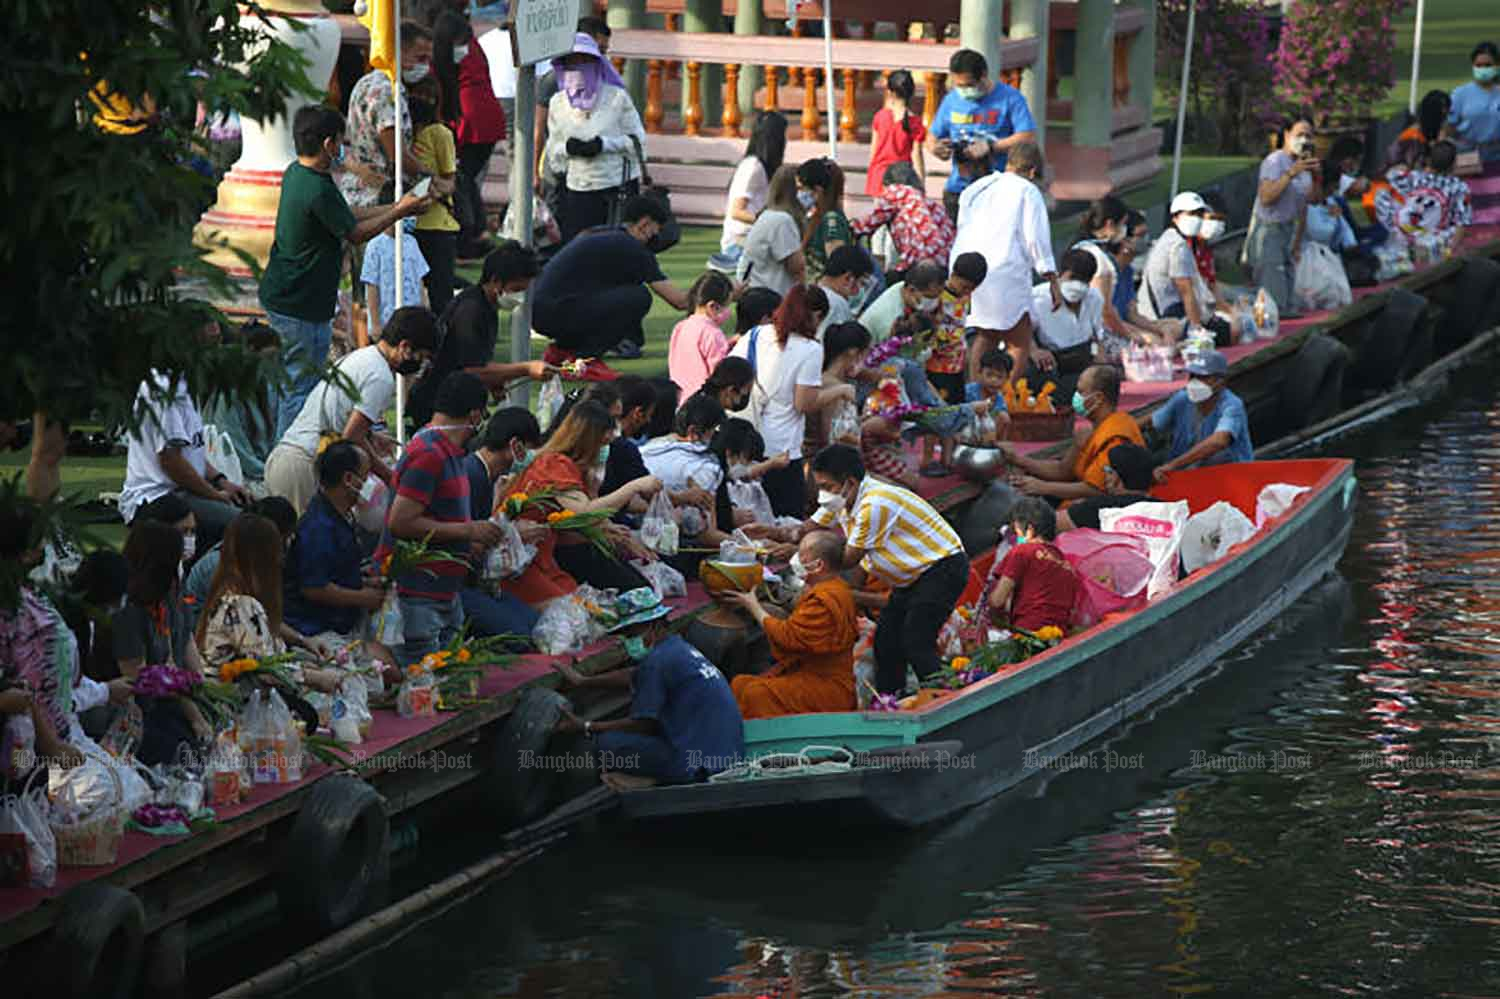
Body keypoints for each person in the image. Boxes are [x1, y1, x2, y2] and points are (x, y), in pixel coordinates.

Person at [260, 105, 428, 437]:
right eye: (340, 142)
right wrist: (398, 214)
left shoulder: (299, 173)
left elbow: (344, 215)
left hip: (285, 297)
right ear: (328, 145)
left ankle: (277, 454)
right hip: (302, 305)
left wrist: (396, 206)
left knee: (286, 385)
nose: (343, 150)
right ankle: (288, 456)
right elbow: (354, 233)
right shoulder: (317, 187)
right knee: (300, 388)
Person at [810, 444, 968, 695]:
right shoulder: (841, 499)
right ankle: (890, 702)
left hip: (942, 567)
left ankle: (944, 699)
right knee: (886, 642)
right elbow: (809, 527)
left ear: (849, 482)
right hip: (910, 578)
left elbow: (849, 559)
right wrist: (781, 538)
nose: (823, 494)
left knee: (917, 640)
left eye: (826, 487)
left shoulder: (875, 503)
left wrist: (812, 563)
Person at [375, 373, 504, 665]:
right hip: (419, 596)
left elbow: (440, 514)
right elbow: (401, 522)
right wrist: (468, 531)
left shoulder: (451, 451)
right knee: (425, 683)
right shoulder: (429, 454)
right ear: (474, 415)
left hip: (445, 592)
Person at [552, 591, 744, 788]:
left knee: (606, 745)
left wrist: (587, 726)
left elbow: (643, 724)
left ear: (653, 626)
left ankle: (659, 779)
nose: (628, 641)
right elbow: (635, 674)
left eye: (632, 634)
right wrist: (583, 681)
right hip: (730, 750)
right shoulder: (678, 648)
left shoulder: (657, 662)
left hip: (697, 762)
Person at [267, 306, 439, 513]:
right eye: (421, 356)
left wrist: (371, 436)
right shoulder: (381, 377)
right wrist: (389, 476)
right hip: (303, 467)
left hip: (286, 460)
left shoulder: (363, 357)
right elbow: (351, 436)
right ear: (405, 346)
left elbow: (342, 418)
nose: (420, 365)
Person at [502, 400, 661, 602]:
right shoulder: (554, 464)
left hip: (545, 557)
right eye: (602, 444)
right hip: (525, 562)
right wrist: (634, 487)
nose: (604, 452)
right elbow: (584, 513)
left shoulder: (571, 468)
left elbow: (576, 519)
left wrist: (608, 530)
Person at [533, 196, 690, 367]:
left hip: (539, 312)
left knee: (625, 292)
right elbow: (679, 301)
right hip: (556, 312)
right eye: (655, 230)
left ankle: (562, 350)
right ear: (644, 224)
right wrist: (710, 291)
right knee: (639, 297)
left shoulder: (598, 232)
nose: (655, 237)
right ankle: (585, 360)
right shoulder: (633, 248)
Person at [730, 286, 846, 518]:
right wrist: (840, 390)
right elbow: (804, 403)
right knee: (785, 521)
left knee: (748, 520)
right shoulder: (810, 349)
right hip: (781, 450)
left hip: (742, 442)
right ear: (815, 315)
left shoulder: (754, 335)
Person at [951, 141, 1060, 384]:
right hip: (1006, 271)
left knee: (986, 334)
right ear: (1032, 172)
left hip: (972, 270)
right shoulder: (1027, 190)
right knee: (1019, 338)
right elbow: (1037, 239)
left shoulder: (976, 188)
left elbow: (962, 229)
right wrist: (1052, 279)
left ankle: (975, 390)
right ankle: (1003, 396)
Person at [409, 241, 548, 426]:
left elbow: (476, 360)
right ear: (496, 281)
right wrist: (526, 369)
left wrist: (495, 382)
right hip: (437, 406)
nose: (519, 297)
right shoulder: (472, 310)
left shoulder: (487, 304)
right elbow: (473, 370)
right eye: (516, 290)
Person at [721, 530, 858, 718]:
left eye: (802, 557)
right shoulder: (834, 588)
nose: (797, 561)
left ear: (818, 565)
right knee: (740, 684)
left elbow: (788, 638)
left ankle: (767, 743)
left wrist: (753, 606)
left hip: (827, 687)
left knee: (755, 694)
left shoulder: (825, 599)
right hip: (811, 672)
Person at [119, 362, 251, 555]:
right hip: (157, 498)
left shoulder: (188, 382)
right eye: (206, 328)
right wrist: (216, 496)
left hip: (185, 492)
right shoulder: (165, 387)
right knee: (246, 530)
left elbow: (191, 452)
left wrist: (221, 481)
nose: (216, 331)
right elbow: (171, 462)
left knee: (256, 516)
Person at [196, 513, 338, 681]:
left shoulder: (233, 591)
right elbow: (266, 671)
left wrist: (303, 646)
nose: (281, 559)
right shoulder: (241, 604)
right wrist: (315, 678)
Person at [284, 442, 390, 646]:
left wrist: (364, 581)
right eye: (366, 476)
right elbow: (314, 588)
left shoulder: (340, 516)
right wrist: (363, 598)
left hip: (340, 622)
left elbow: (336, 571)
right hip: (316, 629)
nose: (370, 483)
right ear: (349, 479)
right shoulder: (319, 527)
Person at [546, 32, 644, 244]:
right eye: (571, 63)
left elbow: (638, 141)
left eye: (584, 62)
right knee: (579, 250)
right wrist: (569, 148)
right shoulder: (557, 103)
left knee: (617, 251)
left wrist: (603, 145)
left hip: (616, 189)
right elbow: (553, 151)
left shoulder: (617, 97)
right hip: (578, 189)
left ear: (596, 63)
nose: (578, 69)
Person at [459, 409, 545, 639]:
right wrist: (513, 535)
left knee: (536, 624)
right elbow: (473, 542)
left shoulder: (489, 477)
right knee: (520, 636)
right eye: (528, 450)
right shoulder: (472, 475)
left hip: (476, 581)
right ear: (515, 445)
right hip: (456, 585)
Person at [1002, 364, 1144, 502]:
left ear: (1099, 398)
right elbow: (1062, 470)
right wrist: (1018, 460)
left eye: (1081, 392)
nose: (1076, 397)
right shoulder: (1092, 430)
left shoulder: (1115, 435)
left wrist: (1042, 487)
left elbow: (1095, 489)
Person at [928, 48, 1038, 220]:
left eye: (969, 85)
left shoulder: (1010, 98)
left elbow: (1027, 136)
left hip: (998, 189)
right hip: (959, 189)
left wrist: (991, 146)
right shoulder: (951, 100)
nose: (964, 90)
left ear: (984, 75)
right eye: (959, 86)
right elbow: (932, 137)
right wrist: (936, 148)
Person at [337, 21, 434, 211]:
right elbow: (396, 154)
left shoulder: (366, 82)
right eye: (420, 58)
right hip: (377, 198)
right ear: (398, 52)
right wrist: (431, 178)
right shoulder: (387, 92)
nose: (425, 66)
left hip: (361, 191)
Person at [432, 9, 506, 258]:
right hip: (483, 120)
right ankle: (477, 232)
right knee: (466, 178)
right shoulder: (469, 47)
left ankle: (470, 234)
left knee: (461, 178)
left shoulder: (450, 53)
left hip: (471, 121)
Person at [534, 17, 615, 207]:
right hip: (559, 163)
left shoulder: (608, 81)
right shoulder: (554, 80)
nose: (602, 57)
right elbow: (539, 129)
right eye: (599, 50)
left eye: (604, 52)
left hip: (594, 166)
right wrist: (533, 172)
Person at [184, 496, 297, 627]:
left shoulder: (253, 555)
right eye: (287, 536)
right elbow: (241, 623)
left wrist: (302, 640)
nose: (290, 541)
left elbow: (262, 617)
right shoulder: (220, 566)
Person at [1249, 117, 1318, 315]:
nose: (1304, 140)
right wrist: (1290, 174)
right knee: (1274, 298)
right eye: (1299, 135)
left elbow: (1311, 201)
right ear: (1287, 135)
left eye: (1308, 136)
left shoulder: (1303, 164)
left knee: (1290, 301)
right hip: (1270, 230)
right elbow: (1266, 197)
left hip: (1290, 230)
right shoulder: (1275, 161)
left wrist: (1316, 175)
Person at [640, 394, 730, 545]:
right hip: (668, 544)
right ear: (693, 431)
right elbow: (706, 534)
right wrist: (752, 546)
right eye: (714, 432)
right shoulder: (704, 467)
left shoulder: (650, 447)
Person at [1075, 196, 1162, 351]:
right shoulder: (1098, 260)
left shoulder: (1081, 249)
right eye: (1122, 225)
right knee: (1154, 347)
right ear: (1109, 225)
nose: (1124, 231)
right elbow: (1105, 312)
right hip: (1095, 336)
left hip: (1086, 331)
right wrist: (1133, 336)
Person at [1151, 350, 1253, 476]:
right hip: (1185, 475)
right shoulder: (1182, 398)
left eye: (1202, 378)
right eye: (1192, 377)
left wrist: (1173, 465)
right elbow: (1154, 423)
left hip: (1228, 475)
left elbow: (1219, 441)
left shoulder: (1231, 405)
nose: (1195, 382)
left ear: (1220, 381)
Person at [987, 497, 1079, 634]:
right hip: (1057, 637)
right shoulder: (1067, 566)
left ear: (1029, 530)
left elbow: (997, 601)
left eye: (1016, 531)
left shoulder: (1022, 552)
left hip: (1027, 636)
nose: (1016, 537)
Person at [203, 320, 279, 483]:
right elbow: (236, 450)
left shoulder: (260, 389)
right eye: (270, 358)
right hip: (239, 476)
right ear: (251, 353)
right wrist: (270, 473)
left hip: (263, 469)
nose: (274, 365)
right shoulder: (228, 396)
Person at [407, 79, 459, 316]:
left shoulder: (440, 133)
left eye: (428, 97)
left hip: (437, 227)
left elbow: (450, 182)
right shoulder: (401, 133)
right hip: (407, 225)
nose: (422, 101)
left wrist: (432, 188)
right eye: (417, 94)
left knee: (440, 298)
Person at [851, 161, 956, 278]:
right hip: (947, 266)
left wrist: (849, 227)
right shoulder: (933, 204)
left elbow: (866, 223)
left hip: (919, 266)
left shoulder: (897, 192)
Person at [714, 111, 788, 271]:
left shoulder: (762, 167)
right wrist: (769, 222)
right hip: (740, 243)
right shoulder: (753, 167)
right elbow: (737, 212)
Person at [1136, 191, 1215, 336]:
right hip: (1164, 316)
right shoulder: (1178, 246)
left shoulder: (1170, 238)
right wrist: (1197, 331)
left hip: (1162, 312)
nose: (1196, 219)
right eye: (1191, 214)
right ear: (1175, 217)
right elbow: (1186, 291)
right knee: (1232, 329)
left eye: (1199, 214)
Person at [360, 182, 431, 341]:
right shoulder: (375, 245)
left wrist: (425, 310)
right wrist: (376, 324)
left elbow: (419, 281)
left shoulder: (411, 243)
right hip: (387, 322)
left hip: (412, 320)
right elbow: (372, 287)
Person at [1382, 140, 1473, 259]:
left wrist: (1410, 167)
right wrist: (1449, 250)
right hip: (1435, 243)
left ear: (1429, 161)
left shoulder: (1414, 177)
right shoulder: (1459, 187)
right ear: (1454, 164)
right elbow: (1462, 223)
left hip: (1406, 238)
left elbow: (1391, 173)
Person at [1031, 248, 1105, 391]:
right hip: (1051, 360)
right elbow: (1022, 332)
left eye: (1084, 280)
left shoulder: (1094, 298)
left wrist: (1099, 356)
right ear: (1060, 275)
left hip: (1082, 356)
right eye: (1072, 278)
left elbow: (1097, 336)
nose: (1077, 285)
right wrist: (1034, 350)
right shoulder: (1037, 298)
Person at [737, 164, 806, 297]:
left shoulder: (769, 215)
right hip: (768, 298)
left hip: (758, 292)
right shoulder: (782, 220)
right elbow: (797, 267)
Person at [1057, 443, 1158, 533]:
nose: (1104, 474)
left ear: (1115, 477)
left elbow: (1050, 523)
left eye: (1107, 469)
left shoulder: (1098, 509)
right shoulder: (1165, 509)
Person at [807, 321, 871, 457]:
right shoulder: (836, 388)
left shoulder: (826, 379)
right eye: (865, 354)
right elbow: (831, 439)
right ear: (853, 352)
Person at [668, 272, 735, 399]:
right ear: (713, 306)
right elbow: (719, 372)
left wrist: (728, 343)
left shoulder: (681, 326)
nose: (728, 311)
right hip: (704, 403)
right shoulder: (713, 334)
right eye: (726, 305)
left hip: (680, 398)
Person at [865, 70, 926, 198]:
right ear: (912, 92)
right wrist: (921, 185)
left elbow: (873, 151)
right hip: (901, 179)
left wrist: (871, 176)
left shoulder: (880, 117)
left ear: (889, 92)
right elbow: (917, 156)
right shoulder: (915, 122)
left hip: (879, 177)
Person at [858, 258, 947, 344]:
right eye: (928, 297)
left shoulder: (904, 287)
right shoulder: (891, 320)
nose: (933, 301)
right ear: (911, 289)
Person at [797, 157, 853, 281]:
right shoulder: (815, 217)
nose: (798, 194)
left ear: (817, 191)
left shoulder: (831, 221)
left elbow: (837, 265)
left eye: (801, 188)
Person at [1449, 42, 1500, 151]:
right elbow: (1449, 127)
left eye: (1488, 65)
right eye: (1479, 65)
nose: (1483, 69)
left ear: (1496, 66)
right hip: (1468, 155)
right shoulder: (1460, 94)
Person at [816, 245, 875, 337]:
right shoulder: (838, 305)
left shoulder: (812, 293)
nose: (860, 291)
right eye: (862, 283)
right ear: (848, 278)